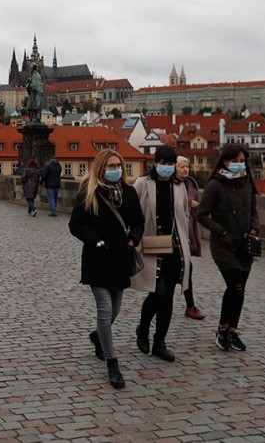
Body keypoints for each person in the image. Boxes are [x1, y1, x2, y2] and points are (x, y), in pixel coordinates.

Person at [69, 149, 144, 389]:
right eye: (111, 166)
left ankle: (97, 336)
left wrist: (133, 239)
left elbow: (138, 221)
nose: (116, 170)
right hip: (97, 258)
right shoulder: (89, 193)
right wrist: (96, 241)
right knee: (104, 309)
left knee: (115, 310)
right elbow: (76, 225)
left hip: (121, 258)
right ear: (101, 168)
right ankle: (112, 363)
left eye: (118, 165)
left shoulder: (129, 192)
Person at [197, 144, 259, 352]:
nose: (240, 164)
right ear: (225, 161)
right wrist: (221, 231)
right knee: (235, 286)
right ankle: (222, 329)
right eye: (236, 161)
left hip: (245, 244)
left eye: (243, 161)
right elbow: (202, 215)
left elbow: (254, 210)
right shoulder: (216, 184)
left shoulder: (246, 182)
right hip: (224, 245)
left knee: (241, 290)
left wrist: (254, 229)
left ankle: (233, 330)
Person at [132, 146, 191, 363]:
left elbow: (184, 213)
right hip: (151, 243)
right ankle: (143, 328)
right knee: (158, 293)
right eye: (163, 163)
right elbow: (133, 211)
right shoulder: (143, 183)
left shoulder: (179, 186)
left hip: (173, 246)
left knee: (168, 299)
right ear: (155, 163)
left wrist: (185, 239)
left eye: (170, 164)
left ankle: (160, 342)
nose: (166, 168)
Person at [176, 156, 205, 320]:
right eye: (181, 167)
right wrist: (189, 203)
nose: (185, 169)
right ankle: (189, 305)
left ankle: (190, 305)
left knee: (187, 268)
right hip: (174, 233)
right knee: (181, 269)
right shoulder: (171, 184)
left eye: (187, 166)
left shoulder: (191, 183)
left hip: (188, 230)